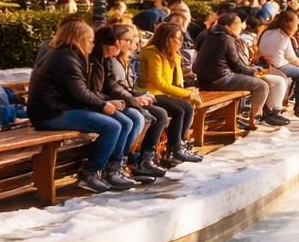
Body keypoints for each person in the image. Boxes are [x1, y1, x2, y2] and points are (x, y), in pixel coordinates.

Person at [27, 20, 140, 193]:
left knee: (123, 122)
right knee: (112, 126)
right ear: (78, 38)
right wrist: (103, 105)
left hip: (62, 108)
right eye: (90, 40)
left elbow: (81, 91)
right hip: (50, 114)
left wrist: (105, 104)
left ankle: (111, 169)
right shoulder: (66, 57)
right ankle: (90, 173)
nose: (93, 45)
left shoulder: (70, 54)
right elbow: (80, 91)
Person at [91, 23, 172, 183]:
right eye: (127, 40)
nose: (131, 44)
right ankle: (113, 166)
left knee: (155, 115)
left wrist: (136, 97)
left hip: (115, 99)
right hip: (106, 101)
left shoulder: (119, 58)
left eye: (132, 40)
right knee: (138, 118)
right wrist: (132, 100)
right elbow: (109, 86)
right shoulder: (107, 59)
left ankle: (133, 161)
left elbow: (121, 86)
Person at [195, 11, 288, 127]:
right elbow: (237, 66)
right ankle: (253, 121)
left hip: (205, 79)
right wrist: (255, 72)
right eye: (238, 24)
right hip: (221, 79)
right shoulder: (226, 38)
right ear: (228, 26)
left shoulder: (210, 35)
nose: (241, 27)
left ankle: (264, 115)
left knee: (262, 82)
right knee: (262, 85)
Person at [138, 23, 204, 164]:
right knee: (178, 110)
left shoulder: (171, 55)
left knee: (186, 107)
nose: (180, 42)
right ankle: (173, 150)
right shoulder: (152, 53)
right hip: (150, 93)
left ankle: (178, 147)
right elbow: (158, 83)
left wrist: (188, 91)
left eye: (181, 39)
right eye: (177, 39)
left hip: (162, 93)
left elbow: (176, 82)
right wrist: (185, 94)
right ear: (167, 38)